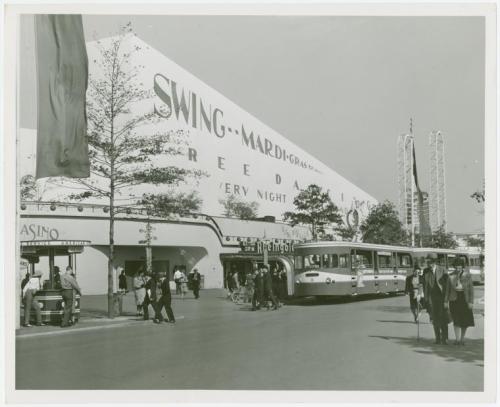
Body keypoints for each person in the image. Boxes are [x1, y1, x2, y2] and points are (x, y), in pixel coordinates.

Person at [445, 260, 475, 345]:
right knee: (456, 320)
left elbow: (471, 290)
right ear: (454, 267)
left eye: (460, 266)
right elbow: (447, 290)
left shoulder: (467, 276)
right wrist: (445, 301)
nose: (458, 268)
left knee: (465, 321)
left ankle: (462, 339)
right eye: (457, 266)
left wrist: (471, 302)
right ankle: (457, 340)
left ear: (462, 267)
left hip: (464, 299)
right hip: (454, 300)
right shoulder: (450, 276)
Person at [423, 254, 450, 344]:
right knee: (434, 318)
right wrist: (424, 297)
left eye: (430, 262)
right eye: (428, 262)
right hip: (431, 298)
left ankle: (445, 338)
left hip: (441, 297)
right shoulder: (425, 271)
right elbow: (424, 285)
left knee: (443, 318)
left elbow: (447, 286)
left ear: (434, 262)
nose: (429, 264)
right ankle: (438, 338)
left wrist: (446, 300)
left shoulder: (442, 270)